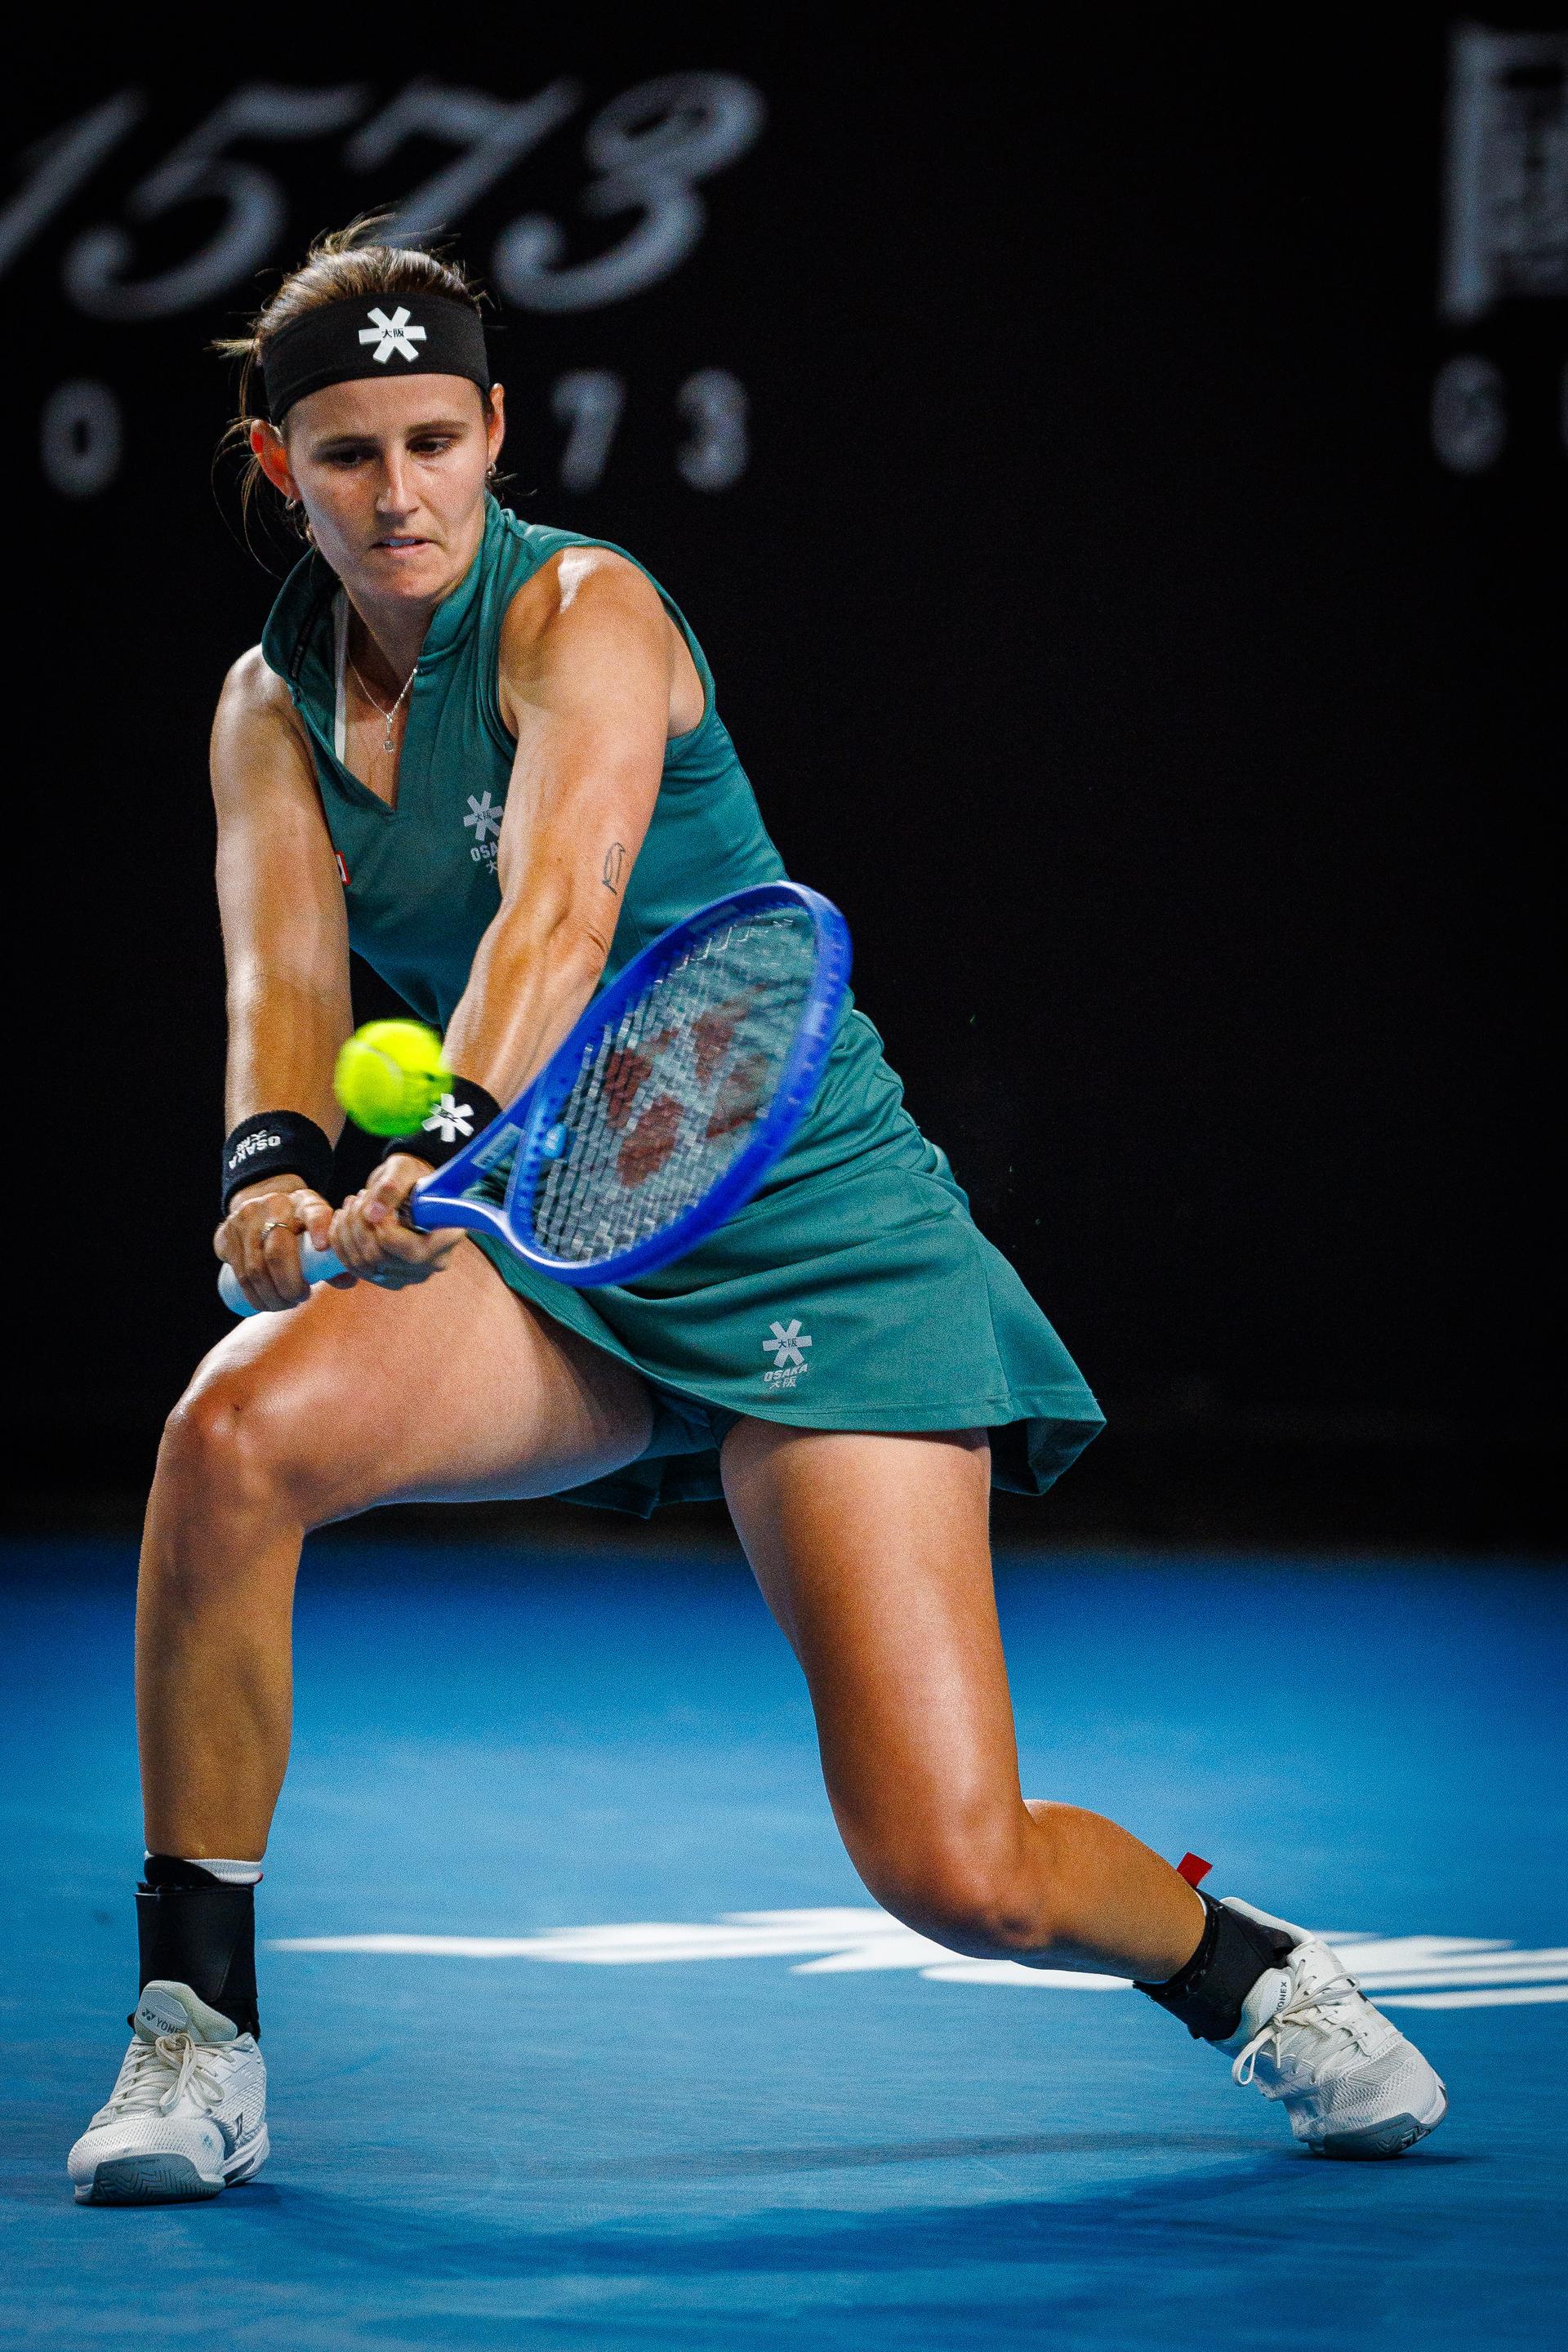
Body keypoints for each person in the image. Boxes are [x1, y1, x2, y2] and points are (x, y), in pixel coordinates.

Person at [68, 226, 1446, 2205]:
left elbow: (557, 910)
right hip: (555, 1227)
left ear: (495, 435)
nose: (399, 493)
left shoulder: (589, 615)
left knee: (949, 1870)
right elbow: (276, 1000)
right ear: (278, 466)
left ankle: (1246, 1967)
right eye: (350, 452)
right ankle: (195, 2034)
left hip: (805, 1222)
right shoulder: (264, 709)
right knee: (233, 1432)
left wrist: (434, 1133)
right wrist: (271, 1179)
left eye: (436, 441)